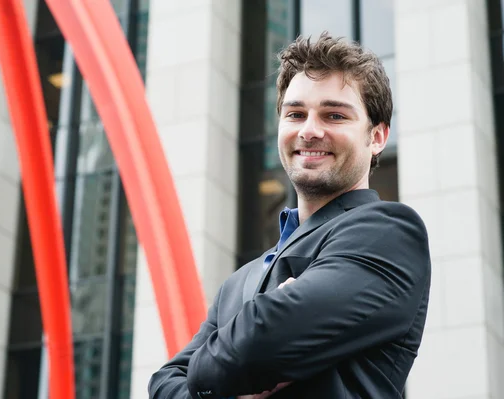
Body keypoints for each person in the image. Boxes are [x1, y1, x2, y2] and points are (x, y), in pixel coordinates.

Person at [148, 32, 431, 399]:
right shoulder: (238, 284)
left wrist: (226, 357)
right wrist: (243, 360)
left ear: (376, 137)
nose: (310, 131)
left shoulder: (389, 234)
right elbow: (163, 384)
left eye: (334, 115)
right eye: (296, 114)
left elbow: (251, 348)